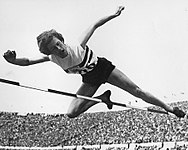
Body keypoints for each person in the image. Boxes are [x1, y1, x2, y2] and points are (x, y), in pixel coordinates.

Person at [3, 6, 185, 118]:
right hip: (89, 80)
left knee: (136, 91)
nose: (59, 49)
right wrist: (12, 61)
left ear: (61, 40)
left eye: (59, 44)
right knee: (71, 113)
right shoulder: (53, 58)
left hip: (103, 69)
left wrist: (114, 15)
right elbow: (27, 61)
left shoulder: (78, 45)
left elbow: (95, 24)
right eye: (54, 48)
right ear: (50, 51)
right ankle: (101, 98)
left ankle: (169, 108)